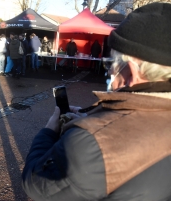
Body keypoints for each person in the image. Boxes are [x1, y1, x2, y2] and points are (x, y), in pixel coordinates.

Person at [22, 2, 171, 200]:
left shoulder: (90, 143)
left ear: (130, 73)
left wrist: (50, 130)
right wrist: (89, 116)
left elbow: (34, 182)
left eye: (111, 63)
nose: (108, 71)